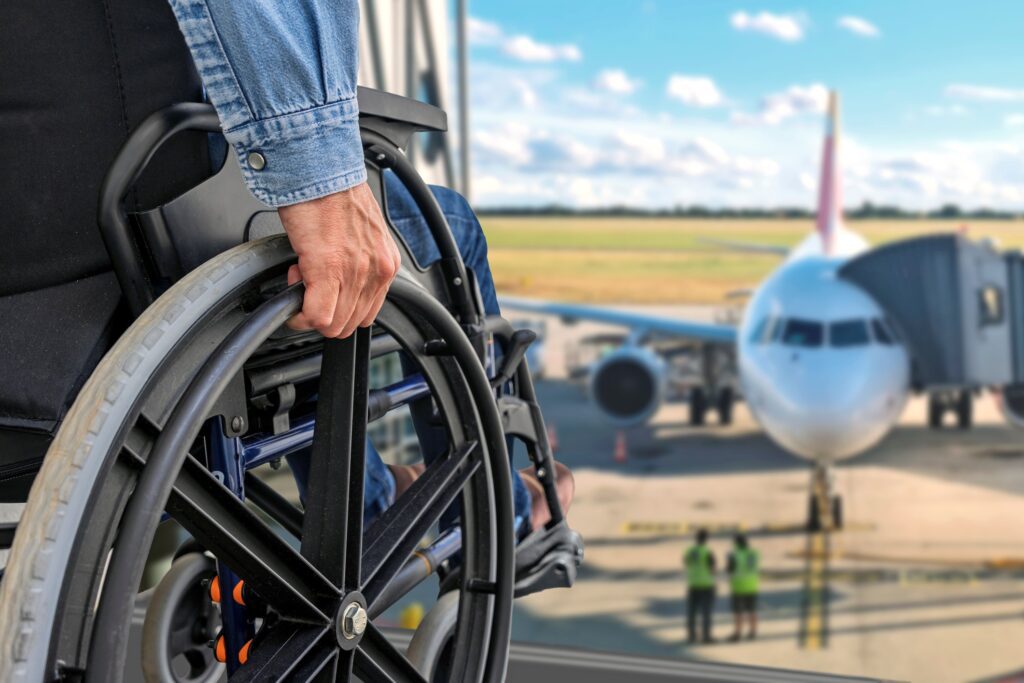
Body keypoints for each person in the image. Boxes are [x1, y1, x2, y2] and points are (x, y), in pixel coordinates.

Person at [0, 0, 572, 530]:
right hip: (141, 267)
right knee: (446, 231)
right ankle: (503, 514)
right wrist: (319, 174)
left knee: (310, 281)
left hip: (28, 330)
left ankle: (374, 494)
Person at [684, 528, 717, 643]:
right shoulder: (707, 551)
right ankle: (706, 636)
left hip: (693, 584)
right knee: (706, 612)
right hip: (706, 584)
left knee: (692, 612)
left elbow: (686, 563)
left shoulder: (689, 550)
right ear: (706, 539)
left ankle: (692, 636)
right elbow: (712, 568)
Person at [727, 534, 760, 641]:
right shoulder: (754, 553)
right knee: (752, 610)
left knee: (738, 612)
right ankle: (753, 631)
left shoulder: (735, 555)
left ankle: (738, 633)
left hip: (739, 586)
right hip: (752, 585)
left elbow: (730, 569)